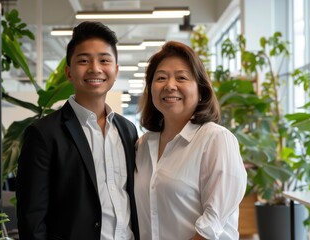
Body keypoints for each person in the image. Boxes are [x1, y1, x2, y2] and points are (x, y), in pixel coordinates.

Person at [16, 21, 140, 240]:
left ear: (116, 70)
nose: (95, 68)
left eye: (104, 60)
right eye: (84, 60)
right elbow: (31, 218)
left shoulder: (127, 130)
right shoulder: (44, 133)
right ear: (68, 72)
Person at [134, 41, 247, 240]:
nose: (170, 86)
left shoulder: (216, 140)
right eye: (161, 78)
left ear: (201, 90)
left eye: (182, 78)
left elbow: (212, 226)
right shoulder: (143, 145)